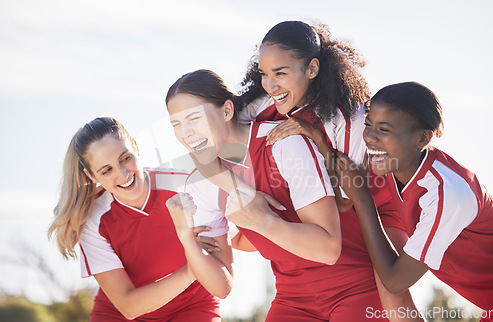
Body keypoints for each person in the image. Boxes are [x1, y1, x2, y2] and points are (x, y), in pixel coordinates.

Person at [166, 69, 419, 321]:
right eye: (176, 124)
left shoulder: (284, 143)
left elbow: (328, 249)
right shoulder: (201, 182)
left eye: (194, 118)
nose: (185, 133)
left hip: (354, 284)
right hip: (292, 298)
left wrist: (261, 221)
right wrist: (185, 236)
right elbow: (221, 287)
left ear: (227, 111)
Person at [335, 82, 493, 319]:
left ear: (423, 138)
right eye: (368, 124)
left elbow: (395, 280)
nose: (369, 137)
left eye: (384, 129)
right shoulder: (397, 165)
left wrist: (362, 199)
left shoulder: (447, 194)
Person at [48, 117, 233, 321]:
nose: (123, 174)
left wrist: (188, 240)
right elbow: (128, 306)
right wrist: (194, 268)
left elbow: (222, 288)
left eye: (125, 158)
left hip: (193, 307)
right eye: (106, 170)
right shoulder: (92, 218)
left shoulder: (188, 184)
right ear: (91, 176)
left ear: (135, 146)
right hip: (120, 315)